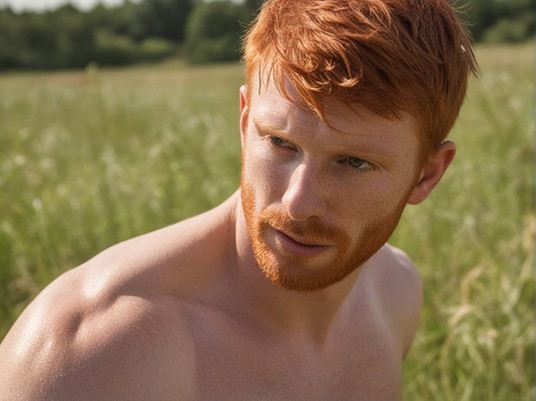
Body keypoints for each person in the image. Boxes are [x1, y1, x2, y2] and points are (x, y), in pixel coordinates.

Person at [0, 0, 477, 399]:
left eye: (354, 163)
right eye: (281, 143)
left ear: (427, 174)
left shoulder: (395, 295)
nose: (297, 202)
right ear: (246, 122)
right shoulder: (92, 351)